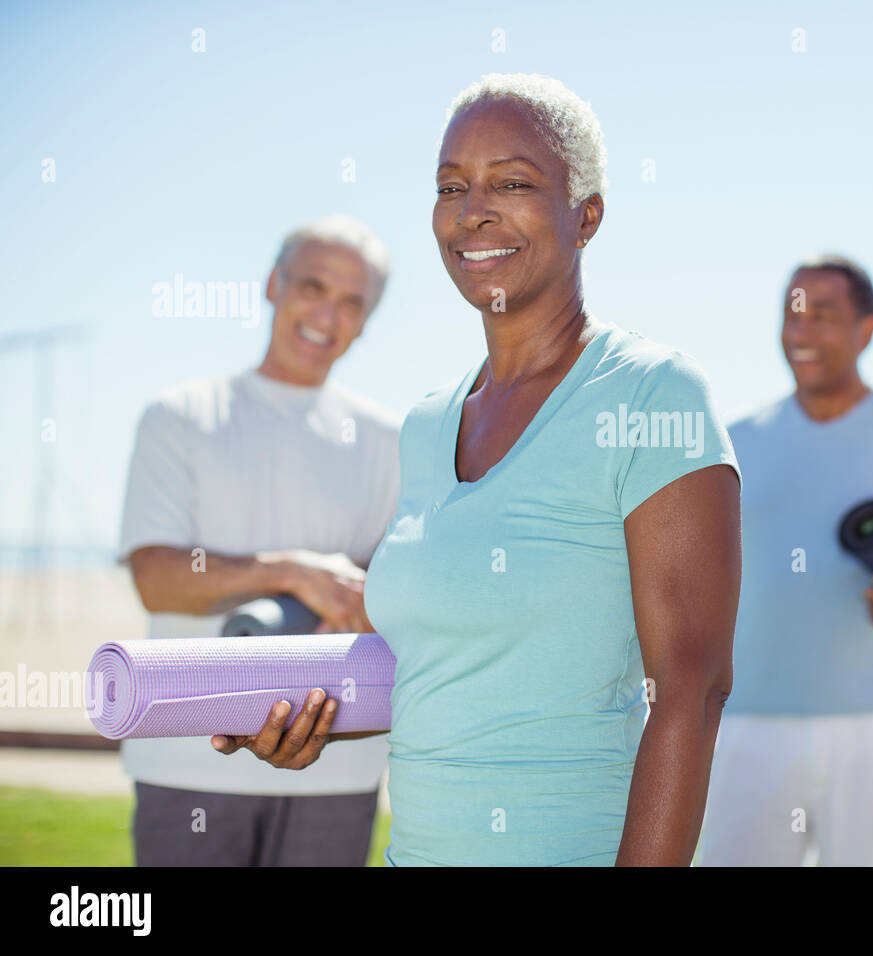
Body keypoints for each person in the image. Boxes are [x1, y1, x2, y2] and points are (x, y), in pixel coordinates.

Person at [213, 73, 742, 866]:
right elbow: (449, 669)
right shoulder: (426, 425)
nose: (473, 210)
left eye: (514, 183)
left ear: (586, 215)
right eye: (451, 186)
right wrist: (306, 718)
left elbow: (693, 695)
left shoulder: (652, 393)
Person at [120, 214, 400, 866]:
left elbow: (394, 594)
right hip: (189, 762)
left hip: (339, 769)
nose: (327, 316)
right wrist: (289, 572)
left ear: (365, 322)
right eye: (312, 287)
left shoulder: (391, 439)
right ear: (273, 284)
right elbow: (157, 578)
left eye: (351, 302)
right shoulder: (180, 416)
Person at [698, 255, 873, 866]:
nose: (802, 331)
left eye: (825, 315)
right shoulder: (731, 444)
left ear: (866, 330)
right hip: (746, 724)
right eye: (792, 313)